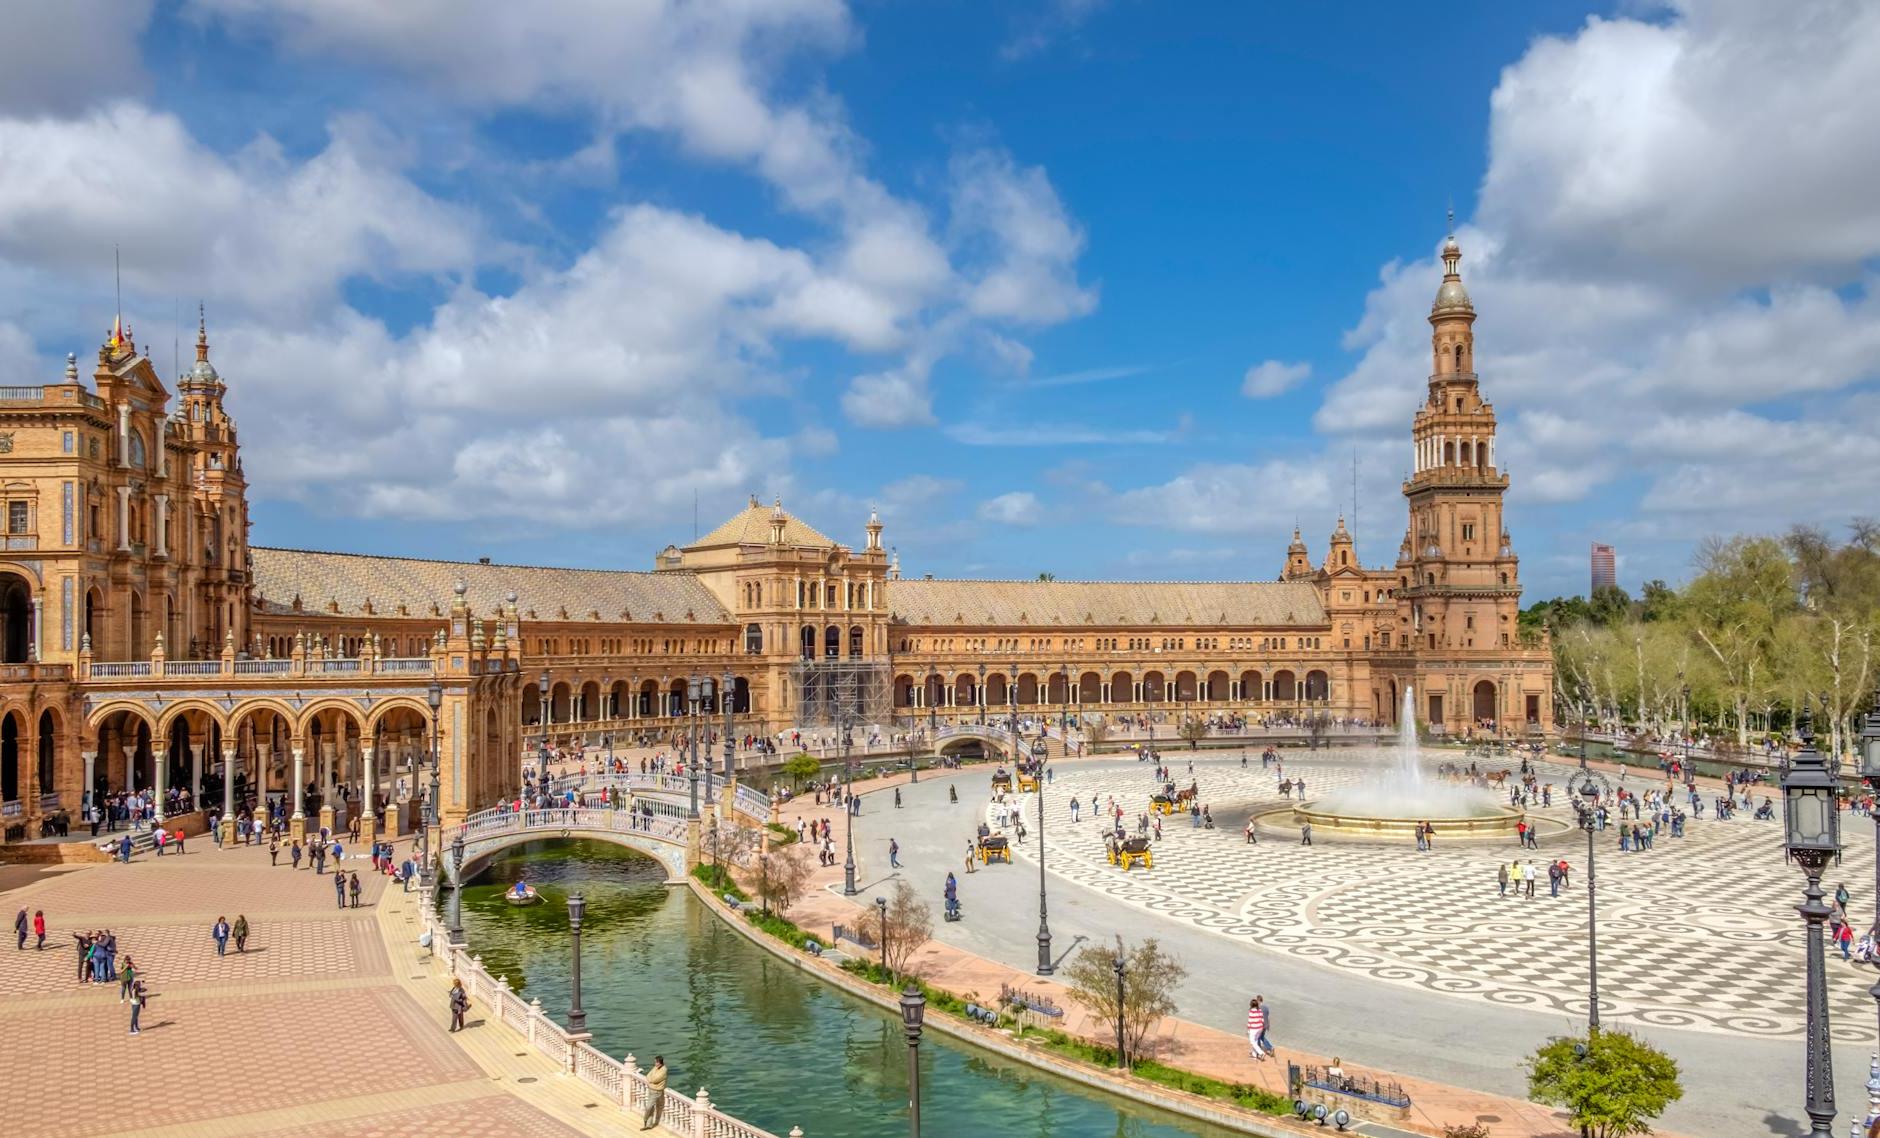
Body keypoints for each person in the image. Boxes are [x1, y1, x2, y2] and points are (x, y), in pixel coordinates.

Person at [641, 1055, 668, 1130]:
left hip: (657, 1092)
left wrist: (650, 1080)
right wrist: (650, 1080)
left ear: (660, 1063)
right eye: (655, 1062)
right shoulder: (655, 1067)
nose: (655, 1064)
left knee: (648, 1107)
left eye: (656, 1062)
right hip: (651, 1090)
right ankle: (648, 1125)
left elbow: (654, 1079)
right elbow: (648, 1075)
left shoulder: (664, 1070)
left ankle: (645, 1120)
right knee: (651, 1107)